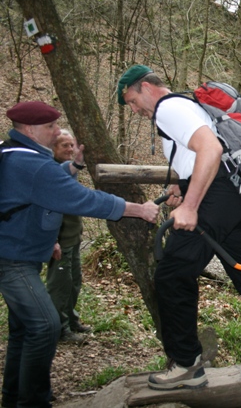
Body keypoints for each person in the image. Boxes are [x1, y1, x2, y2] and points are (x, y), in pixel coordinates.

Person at [117, 65, 241, 390]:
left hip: (217, 199)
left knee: (172, 274)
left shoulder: (168, 108)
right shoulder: (185, 105)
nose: (134, 110)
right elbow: (200, 154)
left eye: (132, 100)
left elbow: (211, 149)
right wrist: (182, 187)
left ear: (146, 87)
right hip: (235, 196)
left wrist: (190, 206)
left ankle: (187, 364)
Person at [0, 101, 159, 408]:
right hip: (12, 260)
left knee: (23, 329)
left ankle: (14, 398)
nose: (57, 131)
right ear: (31, 130)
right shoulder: (31, 165)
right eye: (51, 127)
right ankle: (33, 402)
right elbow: (82, 199)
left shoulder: (15, 153)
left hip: (19, 253)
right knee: (45, 325)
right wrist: (138, 209)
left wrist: (48, 242)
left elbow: (34, 197)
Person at [46, 130, 92, 344]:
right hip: (59, 242)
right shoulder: (50, 168)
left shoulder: (67, 170)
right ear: (53, 147)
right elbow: (67, 170)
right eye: (64, 145)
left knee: (73, 282)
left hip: (72, 239)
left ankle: (71, 320)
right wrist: (78, 163)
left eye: (71, 145)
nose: (69, 149)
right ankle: (59, 329)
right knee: (60, 285)